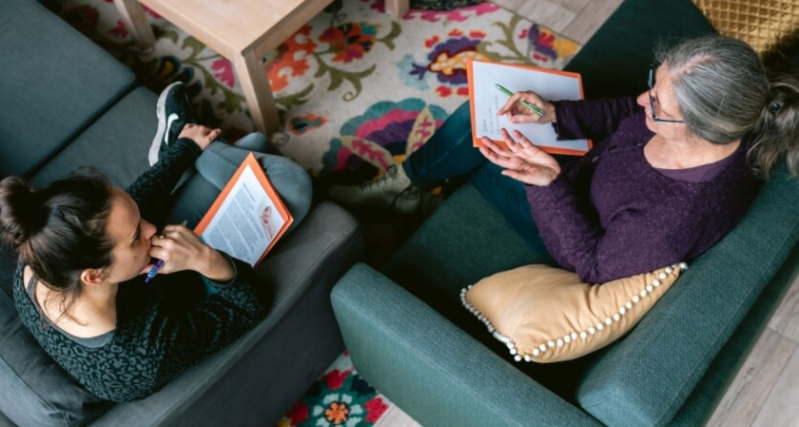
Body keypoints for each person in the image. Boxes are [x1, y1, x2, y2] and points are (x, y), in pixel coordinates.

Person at [329, 36, 799, 283]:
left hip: (565, 222)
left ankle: (411, 196)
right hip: (578, 172)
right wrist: (554, 113)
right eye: (652, 84)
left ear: (696, 127)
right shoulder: (730, 113)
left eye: (657, 103)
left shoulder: (673, 219)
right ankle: (405, 184)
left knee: (482, 141)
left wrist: (547, 185)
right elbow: (624, 113)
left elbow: (592, 264)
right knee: (486, 112)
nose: (642, 100)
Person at [0, 83, 312, 402]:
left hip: (153, 272)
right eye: (137, 235)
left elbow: (130, 210)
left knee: (255, 150)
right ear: (95, 275)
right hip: (187, 279)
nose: (151, 228)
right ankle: (184, 141)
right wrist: (207, 261)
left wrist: (184, 150)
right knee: (288, 180)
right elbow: (250, 308)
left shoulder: (40, 252)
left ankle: (181, 142)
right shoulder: (144, 357)